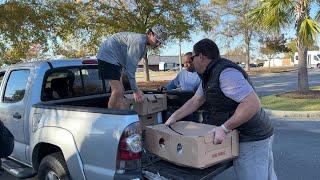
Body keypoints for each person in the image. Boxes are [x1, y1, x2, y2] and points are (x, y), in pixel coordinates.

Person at [165, 39, 277, 180]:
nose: (191, 62)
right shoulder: (209, 75)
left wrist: (224, 128)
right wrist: (174, 116)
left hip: (252, 138)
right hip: (253, 134)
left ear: (200, 56)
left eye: (192, 58)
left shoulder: (225, 74)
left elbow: (252, 104)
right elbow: (196, 100)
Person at [97, 24, 168, 109]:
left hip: (115, 61)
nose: (158, 44)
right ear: (150, 33)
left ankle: (121, 114)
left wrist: (136, 89)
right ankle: (110, 116)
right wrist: (136, 90)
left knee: (121, 91)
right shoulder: (139, 42)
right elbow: (131, 69)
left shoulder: (143, 45)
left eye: (160, 42)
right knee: (117, 91)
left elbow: (127, 66)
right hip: (107, 57)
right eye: (157, 40)